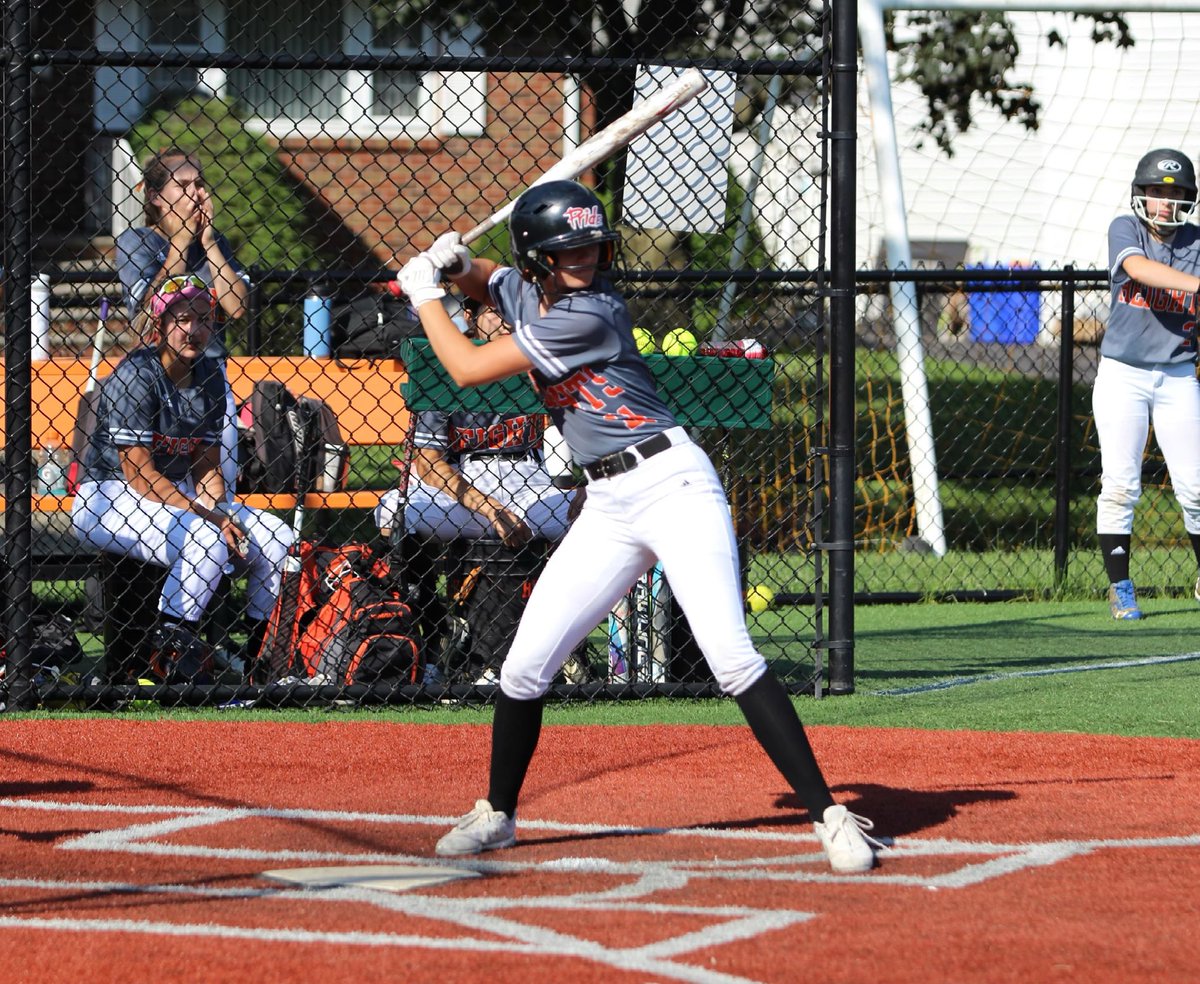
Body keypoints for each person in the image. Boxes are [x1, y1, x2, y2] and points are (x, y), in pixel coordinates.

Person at [397, 180, 881, 873]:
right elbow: (488, 280)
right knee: (525, 666)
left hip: (672, 485)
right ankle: (498, 814)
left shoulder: (589, 314)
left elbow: (469, 366)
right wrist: (454, 265)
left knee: (730, 655)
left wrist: (424, 294)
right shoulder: (531, 290)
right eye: (569, 249)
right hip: (607, 505)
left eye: (592, 245)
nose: (586, 258)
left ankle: (829, 815)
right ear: (539, 257)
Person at [71, 276, 292, 680]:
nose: (194, 330)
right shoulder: (136, 374)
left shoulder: (208, 373)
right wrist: (209, 518)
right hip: (108, 496)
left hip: (178, 496)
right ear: (160, 324)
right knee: (206, 540)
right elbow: (139, 475)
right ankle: (169, 663)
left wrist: (222, 510)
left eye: (204, 319)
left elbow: (206, 466)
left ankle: (260, 663)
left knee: (277, 540)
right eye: (183, 318)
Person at [1096, 148, 1200, 620]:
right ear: (1141, 194)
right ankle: (1120, 586)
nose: (1165, 201)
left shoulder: (1197, 240)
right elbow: (1138, 269)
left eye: (1175, 192)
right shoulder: (1127, 227)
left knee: (1196, 486)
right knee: (1120, 485)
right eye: (1157, 191)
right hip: (1124, 373)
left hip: (1178, 374)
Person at [116, 147, 249, 492]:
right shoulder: (138, 242)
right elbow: (147, 318)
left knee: (219, 487)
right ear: (157, 196)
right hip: (157, 379)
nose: (196, 193)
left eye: (199, 184)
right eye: (183, 185)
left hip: (210, 377)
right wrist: (180, 242)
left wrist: (207, 243)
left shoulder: (213, 242)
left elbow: (236, 307)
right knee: (165, 489)